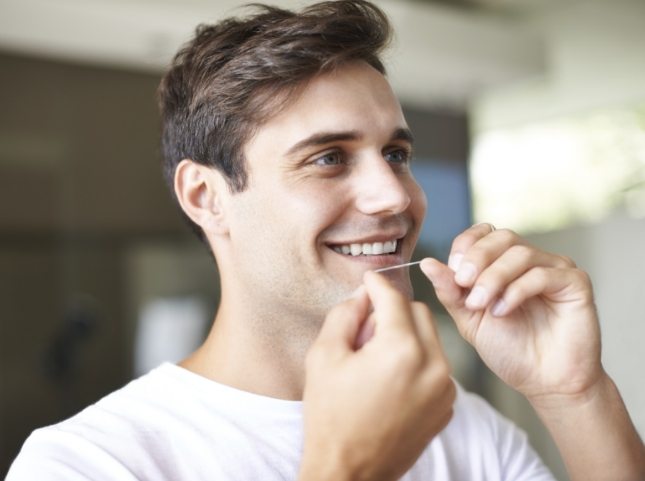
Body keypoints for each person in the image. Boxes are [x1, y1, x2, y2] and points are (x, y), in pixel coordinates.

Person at [7, 1, 644, 480]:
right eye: (328, 159)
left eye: (395, 153)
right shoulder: (88, 464)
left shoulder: (463, 427)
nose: (395, 197)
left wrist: (573, 394)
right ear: (206, 197)